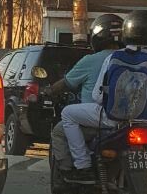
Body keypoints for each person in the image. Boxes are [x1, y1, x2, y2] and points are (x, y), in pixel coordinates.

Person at [60, 10, 147, 183]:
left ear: (127, 33)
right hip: (144, 123)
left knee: (67, 114)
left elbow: (97, 96)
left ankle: (83, 165)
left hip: (110, 119)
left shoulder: (113, 57)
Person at [44, 14, 124, 172]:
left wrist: (49, 91)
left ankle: (73, 169)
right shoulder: (131, 59)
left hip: (97, 119)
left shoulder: (90, 60)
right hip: (128, 120)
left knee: (59, 132)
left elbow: (66, 83)